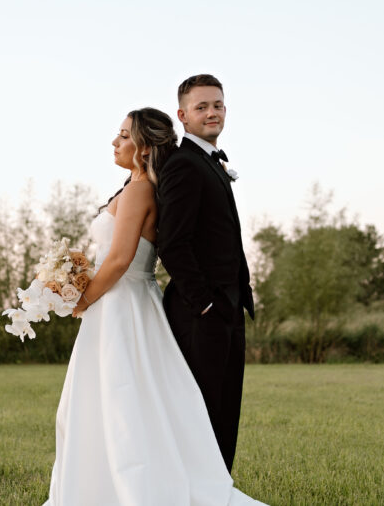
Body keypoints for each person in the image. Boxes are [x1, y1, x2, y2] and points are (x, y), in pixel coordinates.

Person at [43, 107, 264, 506]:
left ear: (144, 148)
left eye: (125, 135)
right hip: (120, 302)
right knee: (109, 401)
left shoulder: (140, 190)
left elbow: (119, 260)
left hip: (121, 306)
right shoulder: (135, 187)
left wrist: (83, 300)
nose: (115, 141)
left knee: (121, 401)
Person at [157, 74, 254, 473]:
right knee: (204, 414)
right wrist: (206, 304)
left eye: (217, 105)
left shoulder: (212, 162)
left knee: (226, 409)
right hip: (202, 314)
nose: (211, 112)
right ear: (182, 115)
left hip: (228, 308)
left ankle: (217, 493)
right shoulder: (183, 165)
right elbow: (172, 244)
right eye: (201, 107)